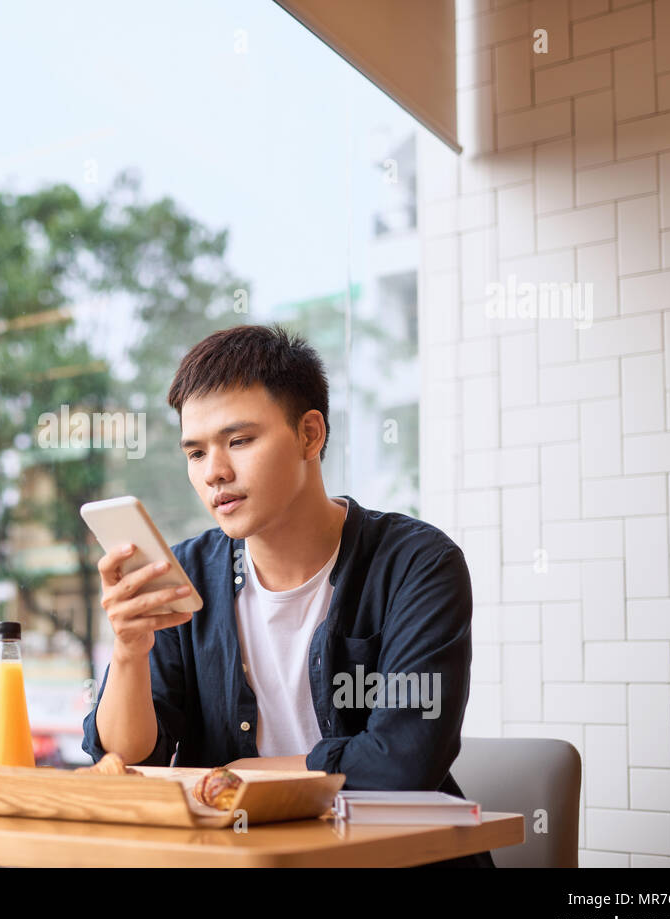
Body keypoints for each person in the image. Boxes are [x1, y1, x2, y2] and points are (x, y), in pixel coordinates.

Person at [81, 324, 493, 867]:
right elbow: (127, 758)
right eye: (196, 452)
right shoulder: (186, 574)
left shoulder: (417, 564)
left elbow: (404, 764)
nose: (215, 473)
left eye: (240, 441)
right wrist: (129, 653)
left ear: (310, 435)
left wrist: (240, 776)